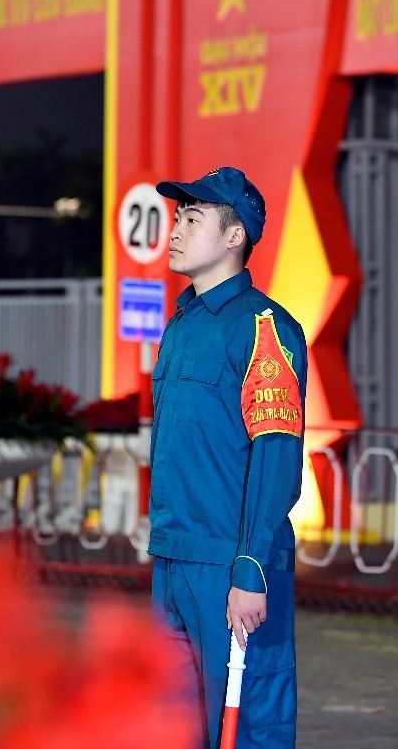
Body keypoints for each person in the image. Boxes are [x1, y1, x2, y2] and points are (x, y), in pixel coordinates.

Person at [149, 166, 307, 749]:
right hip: (173, 558)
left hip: (230, 565)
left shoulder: (264, 328)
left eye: (193, 219)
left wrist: (251, 567)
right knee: (173, 724)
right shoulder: (181, 325)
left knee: (248, 725)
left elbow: (275, 456)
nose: (175, 230)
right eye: (177, 218)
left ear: (235, 236)